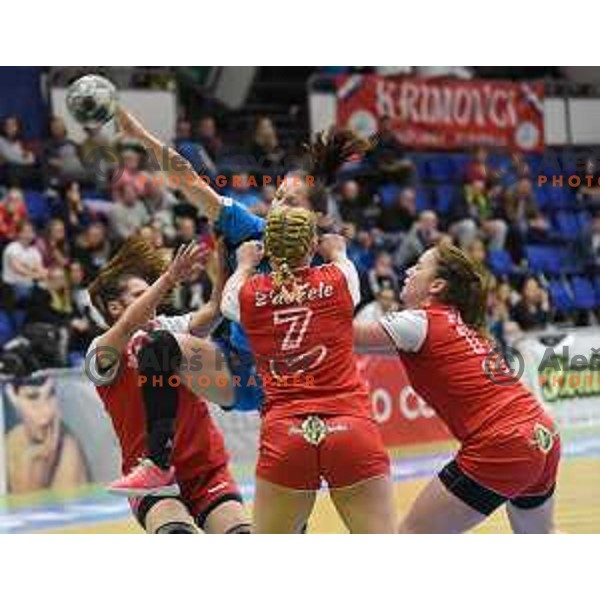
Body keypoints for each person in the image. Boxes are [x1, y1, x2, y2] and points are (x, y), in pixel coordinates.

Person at [115, 107, 367, 415]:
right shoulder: (250, 229)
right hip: (233, 368)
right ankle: (159, 455)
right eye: (277, 199)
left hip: (298, 379)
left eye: (291, 203)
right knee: (157, 349)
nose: (278, 209)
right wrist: (140, 135)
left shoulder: (329, 267)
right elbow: (190, 181)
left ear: (319, 217)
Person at [353, 242, 561, 533]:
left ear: (436, 285)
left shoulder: (419, 321)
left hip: (504, 442)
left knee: (411, 537)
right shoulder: (456, 325)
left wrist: (336, 271)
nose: (409, 271)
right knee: (541, 536)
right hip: (543, 434)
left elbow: (343, 335)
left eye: (419, 266)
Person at [221, 208, 395, 533]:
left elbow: (226, 302)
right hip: (351, 428)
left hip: (286, 435)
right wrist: (337, 249)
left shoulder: (247, 294)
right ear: (312, 245)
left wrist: (244, 263)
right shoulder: (340, 278)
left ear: (268, 249)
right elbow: (342, 257)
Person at [86, 235, 249, 533]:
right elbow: (125, 327)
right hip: (151, 478)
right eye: (140, 295)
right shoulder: (101, 351)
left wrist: (225, 261)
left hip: (205, 468)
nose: (154, 301)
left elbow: (214, 310)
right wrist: (169, 277)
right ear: (113, 307)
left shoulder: (169, 329)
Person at [5, 373, 90, 493]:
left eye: (51, 394)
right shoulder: (6, 445)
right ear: (13, 398)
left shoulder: (67, 449)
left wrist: (45, 470)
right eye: (32, 397)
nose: (46, 414)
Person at [2, 221, 47, 300]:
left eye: (31, 232)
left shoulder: (34, 251)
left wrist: (44, 273)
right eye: (26, 232)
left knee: (46, 287)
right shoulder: (12, 248)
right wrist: (36, 275)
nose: (29, 234)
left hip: (29, 287)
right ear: (19, 234)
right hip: (12, 288)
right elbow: (18, 269)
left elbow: (40, 268)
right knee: (33, 291)